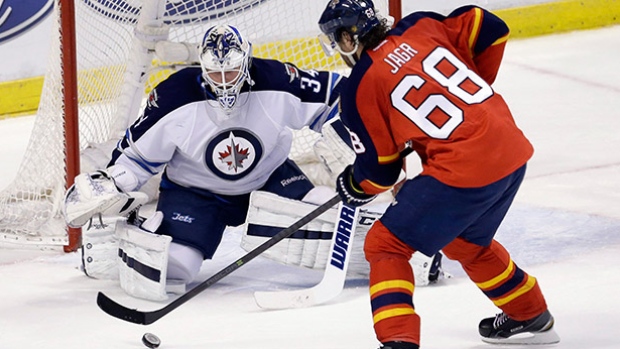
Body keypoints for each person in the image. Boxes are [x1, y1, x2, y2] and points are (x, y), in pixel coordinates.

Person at [318, 1, 560, 348]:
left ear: (346, 37)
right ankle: (528, 312)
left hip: (465, 171)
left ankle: (398, 342)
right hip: (510, 148)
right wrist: (472, 97)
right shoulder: (420, 25)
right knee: (464, 241)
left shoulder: (359, 87)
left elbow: (380, 173)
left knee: (385, 244)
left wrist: (354, 184)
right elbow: (489, 25)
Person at [63, 24, 346, 301]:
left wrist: (353, 134)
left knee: (323, 206)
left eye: (232, 71)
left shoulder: (277, 80)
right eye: (215, 73)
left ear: (247, 63)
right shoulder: (175, 96)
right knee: (177, 267)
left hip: (269, 178)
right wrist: (116, 182)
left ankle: (370, 249)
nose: (223, 81)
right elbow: (137, 156)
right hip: (196, 193)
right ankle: (122, 243)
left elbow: (338, 97)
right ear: (203, 67)